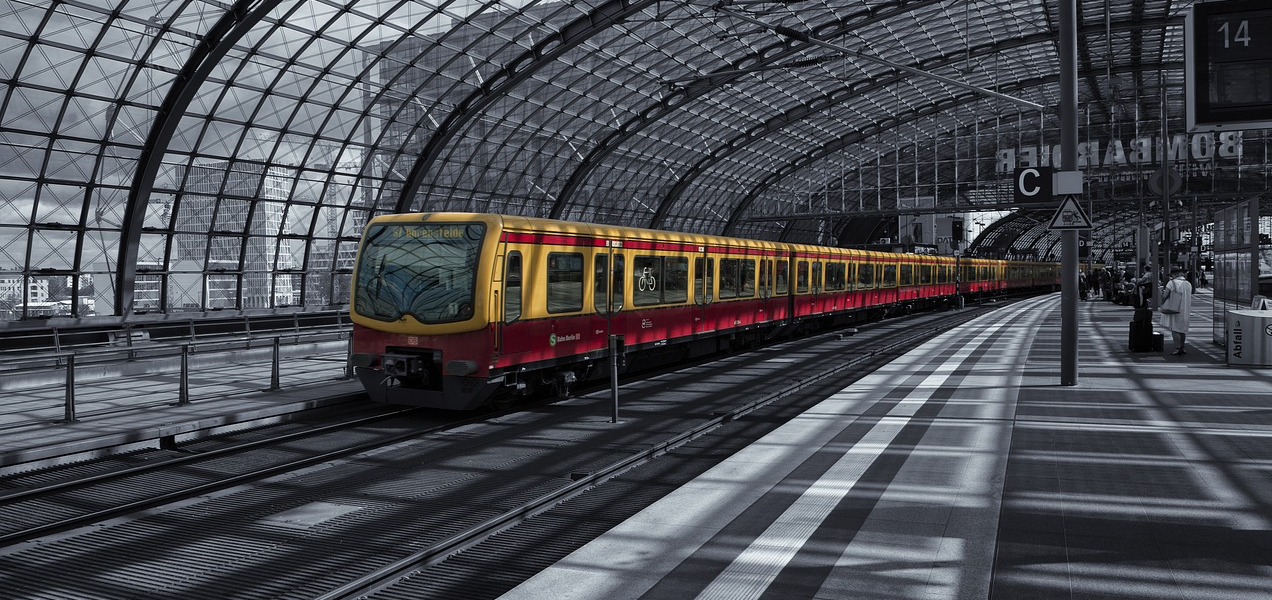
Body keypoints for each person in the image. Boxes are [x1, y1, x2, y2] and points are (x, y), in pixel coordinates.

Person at [1160, 267, 1193, 355]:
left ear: (1174, 275)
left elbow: (1165, 295)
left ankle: (1177, 348)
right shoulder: (1188, 284)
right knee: (1183, 329)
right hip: (1186, 309)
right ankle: (1182, 347)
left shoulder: (1171, 283)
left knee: (1175, 329)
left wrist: (1162, 300)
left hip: (1175, 307)